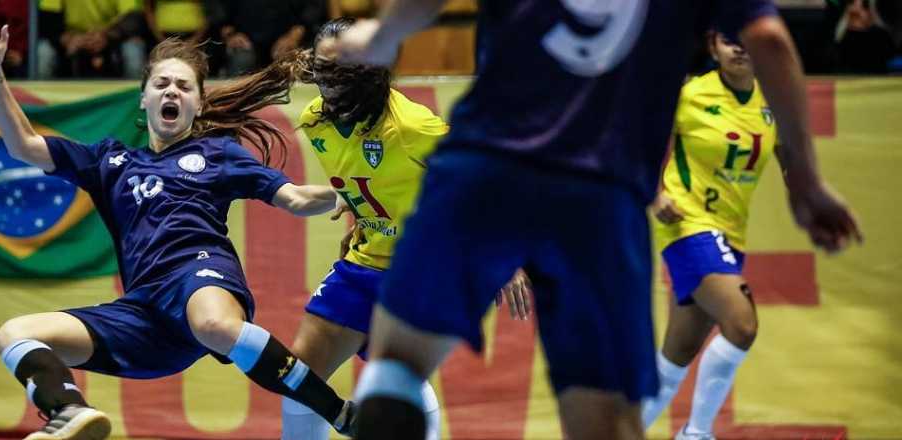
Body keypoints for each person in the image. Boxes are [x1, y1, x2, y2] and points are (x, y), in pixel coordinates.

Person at [330, 1, 863, 439]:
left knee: (397, 365)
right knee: (606, 422)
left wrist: (380, 36)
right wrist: (809, 184)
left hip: (485, 168)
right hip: (599, 198)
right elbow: (769, 40)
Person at [0, 13, 358, 440]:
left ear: (199, 104)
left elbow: (295, 198)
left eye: (185, 86)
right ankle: (69, 412)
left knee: (214, 325)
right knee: (14, 334)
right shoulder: (109, 161)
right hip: (145, 315)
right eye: (162, 84)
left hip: (200, 277)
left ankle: (340, 413)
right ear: (143, 98)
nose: (172, 90)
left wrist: (349, 196)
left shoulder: (218, 154)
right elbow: (23, 145)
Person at [279, 17, 532, 440]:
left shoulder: (412, 126)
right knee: (299, 376)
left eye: (343, 70)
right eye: (323, 70)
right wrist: (360, 210)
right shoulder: (315, 121)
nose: (330, 83)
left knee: (396, 385)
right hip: (364, 266)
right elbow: (371, 181)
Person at [639, 32, 781, 440]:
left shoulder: (772, 101)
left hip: (730, 236)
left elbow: (794, 161)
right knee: (742, 324)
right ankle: (696, 435)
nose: (738, 47)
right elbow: (629, 142)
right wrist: (653, 192)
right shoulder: (688, 94)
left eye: (745, 39)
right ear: (713, 46)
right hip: (687, 226)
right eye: (727, 39)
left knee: (675, 357)